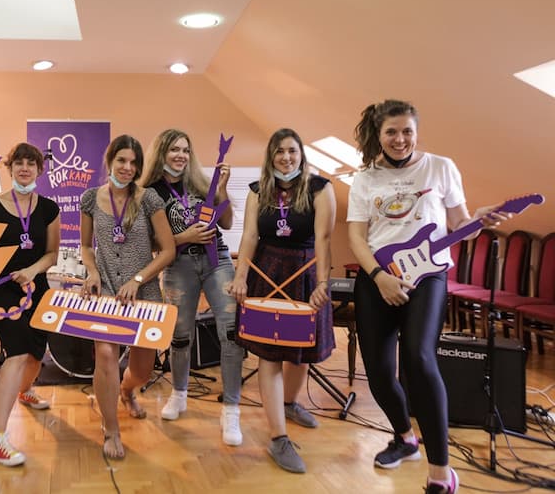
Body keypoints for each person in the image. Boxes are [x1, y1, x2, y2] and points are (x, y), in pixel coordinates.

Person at [347, 99, 509, 494]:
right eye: (391, 132)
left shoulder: (441, 167)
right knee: (379, 372)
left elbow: (460, 224)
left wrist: (479, 219)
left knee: (419, 358)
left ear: (416, 132)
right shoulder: (365, 178)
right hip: (378, 277)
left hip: (429, 276)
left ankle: (441, 472)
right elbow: (357, 236)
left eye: (408, 131)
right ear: (379, 135)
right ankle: (405, 437)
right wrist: (379, 277)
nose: (400, 139)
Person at [229, 128, 336, 474]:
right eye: (279, 151)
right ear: (270, 156)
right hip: (267, 270)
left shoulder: (320, 189)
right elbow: (249, 235)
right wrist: (240, 276)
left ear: (301, 154)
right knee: (270, 353)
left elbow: (323, 238)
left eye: (292, 151)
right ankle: (278, 437)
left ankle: (289, 403)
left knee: (301, 351)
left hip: (306, 272)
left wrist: (323, 282)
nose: (286, 157)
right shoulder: (258, 190)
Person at [140, 128, 246, 445]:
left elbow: (226, 223)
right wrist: (184, 237)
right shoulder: (150, 193)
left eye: (185, 150)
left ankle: (231, 410)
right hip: (179, 265)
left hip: (218, 261)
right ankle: (179, 394)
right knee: (180, 335)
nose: (181, 155)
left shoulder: (201, 183)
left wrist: (222, 190)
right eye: (174, 149)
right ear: (161, 152)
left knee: (231, 332)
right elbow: (149, 243)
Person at [79, 134, 176, 460]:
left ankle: (127, 390)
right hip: (106, 290)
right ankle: (111, 429)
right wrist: (92, 272)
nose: (127, 167)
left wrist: (137, 279)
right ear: (110, 161)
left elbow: (168, 250)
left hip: (143, 292)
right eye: (121, 160)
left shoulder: (149, 199)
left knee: (143, 370)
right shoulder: (90, 199)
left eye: (134, 163)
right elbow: (85, 246)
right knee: (106, 355)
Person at [0, 142, 60, 466]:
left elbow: (51, 254)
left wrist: (32, 270)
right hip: (1, 290)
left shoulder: (49, 209)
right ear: (10, 169)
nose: (25, 168)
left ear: (39, 169)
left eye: (31, 163)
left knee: (37, 353)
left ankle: (25, 390)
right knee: (18, 352)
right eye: (19, 163)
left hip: (36, 286)